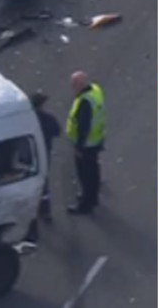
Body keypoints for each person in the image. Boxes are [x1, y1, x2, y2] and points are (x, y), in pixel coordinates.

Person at [65, 71, 106, 214]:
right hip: (97, 140)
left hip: (86, 144)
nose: (72, 89)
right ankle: (93, 197)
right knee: (94, 171)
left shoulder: (85, 102)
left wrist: (79, 147)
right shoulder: (95, 90)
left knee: (85, 174)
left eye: (74, 85)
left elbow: (84, 126)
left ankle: (85, 204)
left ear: (79, 85)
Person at [30, 90, 61, 222]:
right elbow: (57, 131)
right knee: (43, 181)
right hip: (44, 153)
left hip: (28, 155)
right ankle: (45, 210)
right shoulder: (48, 118)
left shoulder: (26, 119)